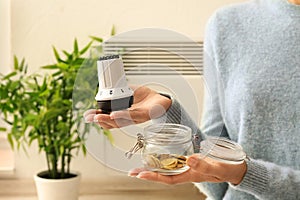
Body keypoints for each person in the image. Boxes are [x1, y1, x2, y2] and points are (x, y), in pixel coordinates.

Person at [84, 0, 300, 199]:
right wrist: (167, 112)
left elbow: (237, 173)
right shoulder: (227, 24)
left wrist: (247, 174)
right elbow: (214, 179)